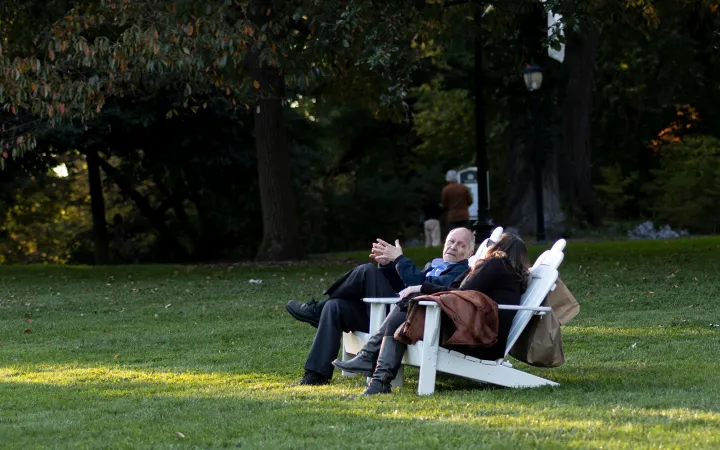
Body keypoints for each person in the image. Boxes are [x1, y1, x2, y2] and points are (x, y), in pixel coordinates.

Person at [333, 232, 530, 395]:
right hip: (480, 335)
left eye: (493, 244)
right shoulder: (509, 273)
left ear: (500, 248)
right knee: (411, 306)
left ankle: (374, 369)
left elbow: (460, 291)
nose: (489, 246)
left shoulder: (496, 264)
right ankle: (377, 379)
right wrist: (421, 288)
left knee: (411, 305)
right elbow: (456, 287)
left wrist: (473, 266)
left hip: (479, 340)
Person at [287, 228, 475, 386]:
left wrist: (399, 260)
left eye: (461, 245)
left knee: (367, 271)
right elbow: (403, 285)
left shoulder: (462, 271)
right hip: (389, 308)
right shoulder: (433, 265)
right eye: (451, 241)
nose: (454, 247)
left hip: (404, 318)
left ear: (469, 253)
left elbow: (425, 287)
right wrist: (387, 267)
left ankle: (317, 309)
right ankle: (316, 374)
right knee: (336, 307)